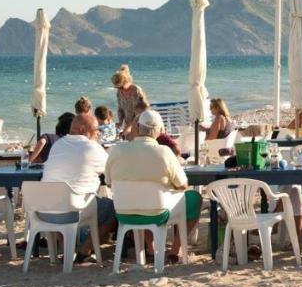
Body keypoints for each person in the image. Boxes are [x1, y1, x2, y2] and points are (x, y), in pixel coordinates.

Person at [104, 109, 193, 262]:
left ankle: (150, 249)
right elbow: (183, 185)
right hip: (157, 213)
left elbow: (108, 182)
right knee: (194, 199)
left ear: (137, 128)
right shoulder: (164, 152)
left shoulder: (116, 150)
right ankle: (174, 252)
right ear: (159, 131)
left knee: (140, 199)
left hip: (124, 212)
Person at [42, 113, 112, 260]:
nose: (98, 133)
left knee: (65, 199)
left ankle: (66, 248)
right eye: (96, 130)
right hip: (74, 209)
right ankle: (85, 249)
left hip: (45, 211)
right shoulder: (91, 147)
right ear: (82, 129)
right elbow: (111, 170)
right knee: (113, 208)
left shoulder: (58, 144)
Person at [112, 65, 149, 139]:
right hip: (128, 123)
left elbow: (144, 108)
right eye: (117, 87)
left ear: (127, 81)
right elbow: (120, 108)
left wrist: (131, 124)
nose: (120, 89)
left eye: (121, 87)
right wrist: (120, 122)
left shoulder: (136, 90)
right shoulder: (119, 93)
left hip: (140, 123)